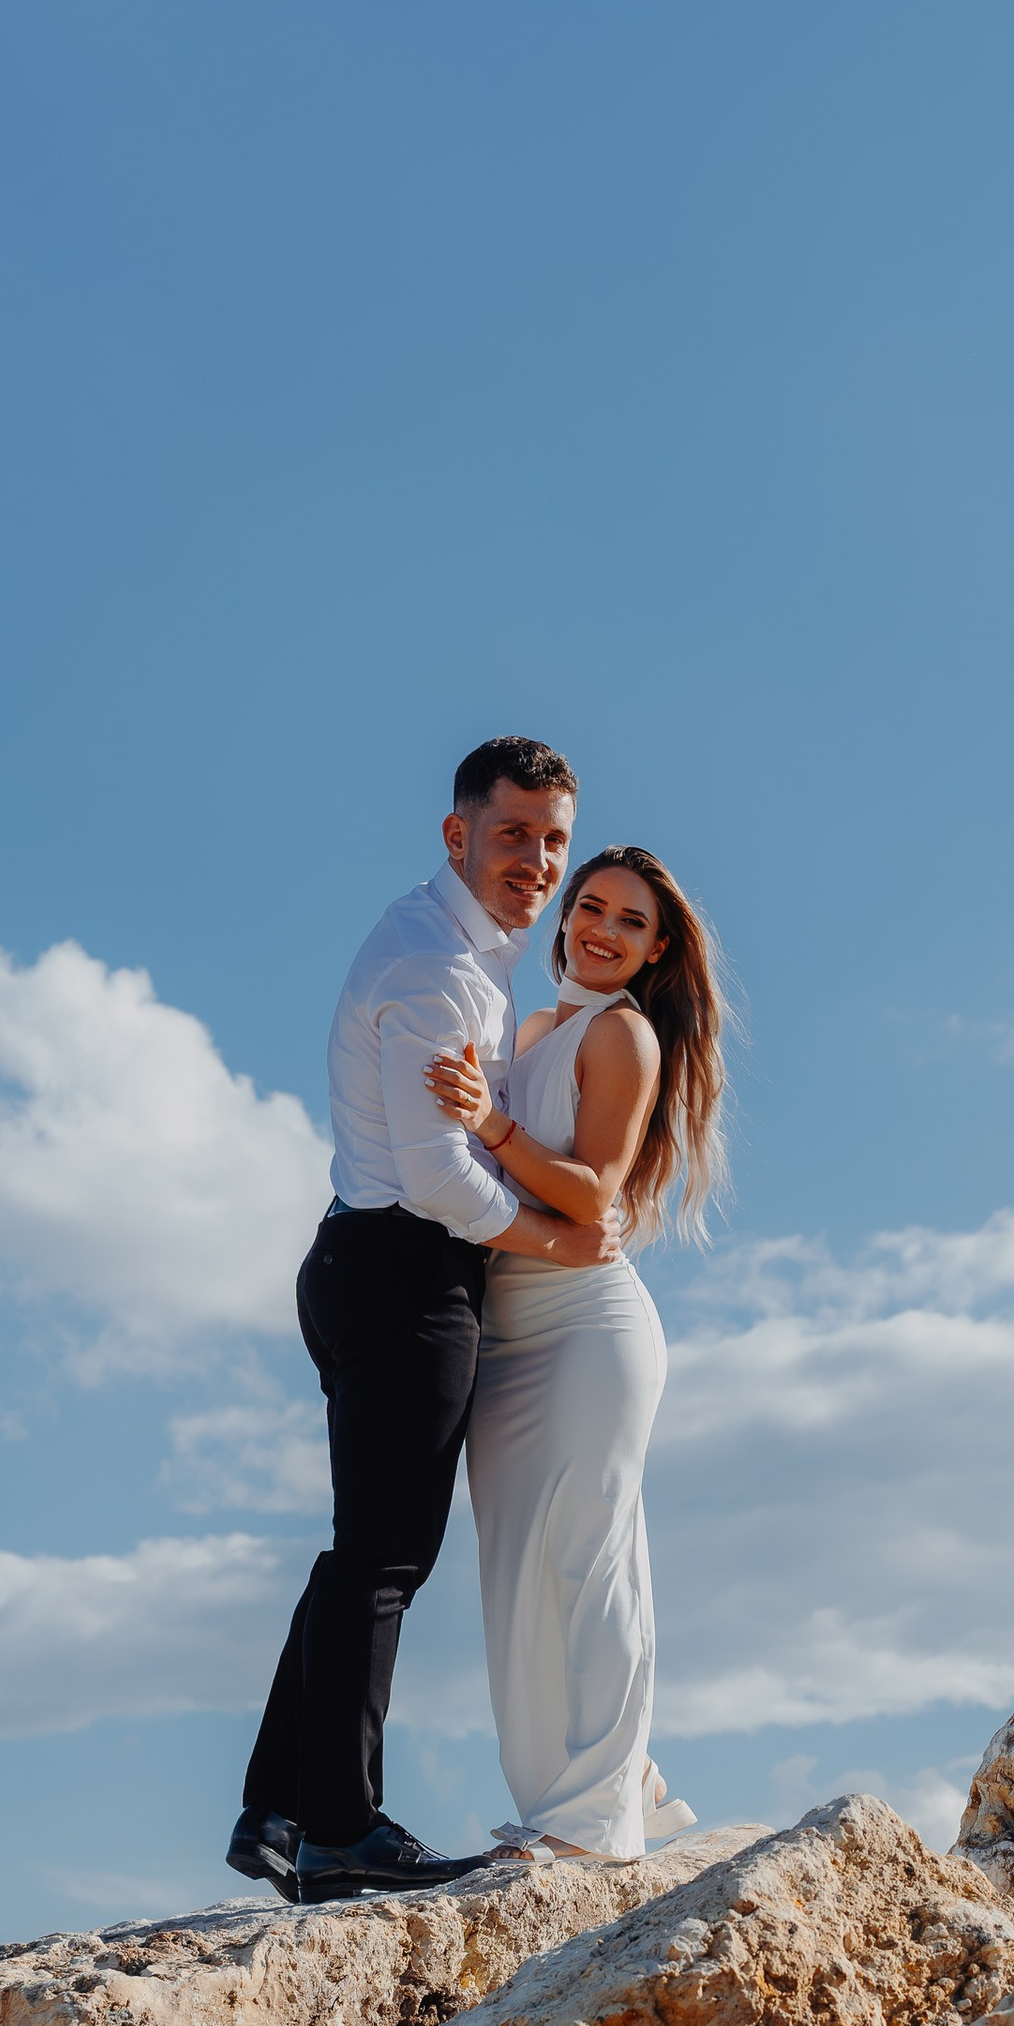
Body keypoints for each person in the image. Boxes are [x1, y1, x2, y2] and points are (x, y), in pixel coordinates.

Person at [228, 738, 622, 1907]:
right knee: (387, 1559)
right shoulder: (434, 970)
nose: (536, 861)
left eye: (553, 839)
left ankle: (282, 1805)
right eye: (513, 835)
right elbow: (438, 1180)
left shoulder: (460, 951)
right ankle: (341, 1828)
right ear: (457, 834)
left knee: (366, 1550)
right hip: (403, 1268)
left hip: (370, 1261)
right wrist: (559, 1242)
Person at [423, 843, 729, 1860]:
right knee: (517, 1573)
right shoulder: (539, 1024)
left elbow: (593, 1195)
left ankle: (590, 1822)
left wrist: (491, 1126)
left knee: (590, 1560)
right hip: (506, 1332)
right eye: (590, 906)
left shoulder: (622, 1035)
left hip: (586, 1325)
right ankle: (619, 1787)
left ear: (655, 949)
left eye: (629, 921)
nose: (600, 927)